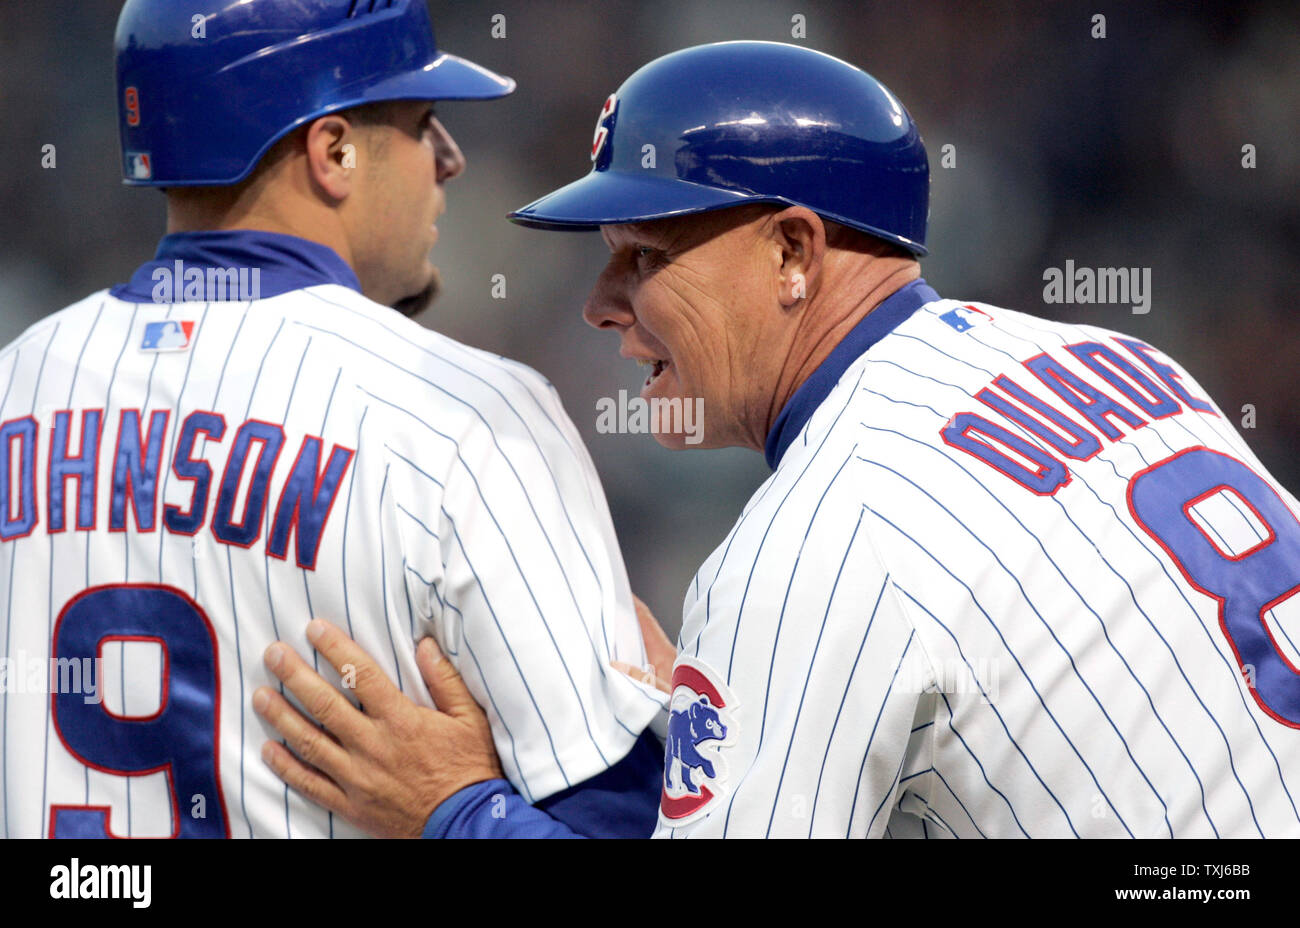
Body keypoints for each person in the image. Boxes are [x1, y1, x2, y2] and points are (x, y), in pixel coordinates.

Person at [257, 40, 1300, 838]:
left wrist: (455, 809)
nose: (601, 305)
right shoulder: (1112, 359)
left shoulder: (816, 540)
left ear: (794, 249)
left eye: (645, 255)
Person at [0, 0, 667, 839]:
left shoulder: (17, 378)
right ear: (334, 151)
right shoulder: (466, 412)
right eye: (423, 121)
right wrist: (463, 814)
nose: (450, 159)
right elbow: (625, 828)